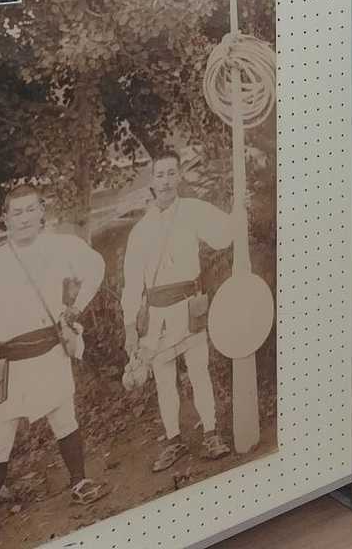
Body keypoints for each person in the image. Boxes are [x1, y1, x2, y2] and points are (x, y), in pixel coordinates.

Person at [0, 178, 109, 547]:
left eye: (30, 210)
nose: (24, 218)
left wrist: (75, 309)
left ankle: (80, 482)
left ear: (41, 213)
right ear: (5, 219)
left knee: (64, 418)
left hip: (51, 351)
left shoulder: (62, 247)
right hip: (10, 364)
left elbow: (95, 267)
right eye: (16, 213)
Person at [121, 151, 235, 472]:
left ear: (180, 176)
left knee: (199, 370)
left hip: (189, 306)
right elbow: (132, 282)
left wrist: (238, 209)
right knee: (164, 379)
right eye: (160, 175)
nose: (166, 181)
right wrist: (129, 325)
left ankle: (211, 433)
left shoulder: (193, 211)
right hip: (156, 314)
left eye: (172, 173)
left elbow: (223, 237)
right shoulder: (140, 230)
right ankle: (173, 440)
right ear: (152, 180)